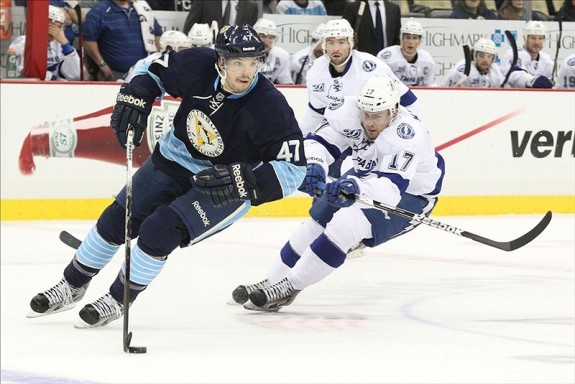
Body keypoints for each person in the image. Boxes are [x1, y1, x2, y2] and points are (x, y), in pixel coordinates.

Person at [26, 24, 306, 328]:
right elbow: (153, 67)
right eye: (237, 62)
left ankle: (118, 299)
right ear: (220, 61)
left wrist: (247, 181)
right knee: (117, 218)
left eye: (254, 63)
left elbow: (294, 168)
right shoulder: (197, 64)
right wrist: (140, 90)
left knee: (159, 231)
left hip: (222, 186)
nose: (247, 72)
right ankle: (72, 285)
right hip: (175, 156)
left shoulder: (270, 106)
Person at [231, 74, 446, 312]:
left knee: (347, 223)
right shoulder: (349, 112)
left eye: (377, 116)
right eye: (366, 114)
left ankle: (288, 288)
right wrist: (315, 165)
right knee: (317, 220)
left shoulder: (406, 135)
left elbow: (390, 189)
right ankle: (272, 281)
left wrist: (356, 187)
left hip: (411, 194)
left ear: (393, 112)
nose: (370, 122)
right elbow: (319, 143)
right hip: (367, 176)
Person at [300, 18, 419, 136]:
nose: (336, 48)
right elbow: (315, 113)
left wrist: (410, 132)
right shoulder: (315, 70)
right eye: (331, 42)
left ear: (350, 44)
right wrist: (302, 139)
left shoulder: (372, 67)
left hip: (373, 134)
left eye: (341, 42)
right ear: (324, 45)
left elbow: (408, 101)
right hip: (339, 135)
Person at [83, 0, 163, 81]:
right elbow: (89, 41)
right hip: (114, 74)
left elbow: (157, 34)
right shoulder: (98, 12)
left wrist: (154, 61)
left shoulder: (143, 9)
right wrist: (101, 64)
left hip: (142, 73)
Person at [443, 38, 553, 88]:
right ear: (474, 55)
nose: (485, 60)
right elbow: (446, 91)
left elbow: (506, 89)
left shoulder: (495, 71)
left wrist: (529, 81)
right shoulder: (463, 69)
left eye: (489, 56)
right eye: (481, 55)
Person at [8, 5, 81, 81]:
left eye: (58, 27)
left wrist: (66, 45)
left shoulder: (59, 45)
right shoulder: (22, 43)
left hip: (52, 88)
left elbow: (75, 75)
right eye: (51, 26)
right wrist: (56, 80)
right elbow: (24, 74)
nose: (55, 32)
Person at [376, 18, 437, 87]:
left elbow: (430, 87)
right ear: (402, 39)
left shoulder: (427, 60)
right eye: (408, 37)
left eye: (414, 38)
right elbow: (379, 84)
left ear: (420, 40)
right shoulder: (387, 58)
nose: (410, 42)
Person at [122, 30, 192, 83]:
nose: (185, 53)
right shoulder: (149, 63)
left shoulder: (184, 63)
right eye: (181, 49)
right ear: (168, 48)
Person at [253, 18, 293, 84]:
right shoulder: (243, 54)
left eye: (270, 37)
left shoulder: (281, 55)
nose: (267, 41)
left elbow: (286, 84)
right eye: (263, 36)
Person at [183, 0, 259, 35]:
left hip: (236, 56)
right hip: (207, 54)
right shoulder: (203, 2)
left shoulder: (251, 6)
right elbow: (188, 29)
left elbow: (251, 35)